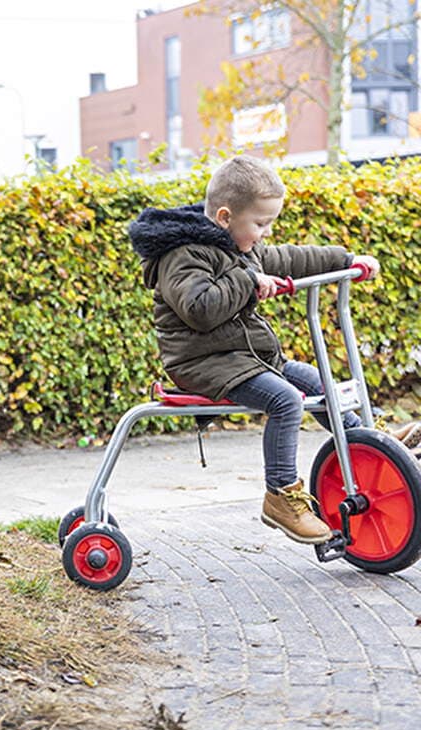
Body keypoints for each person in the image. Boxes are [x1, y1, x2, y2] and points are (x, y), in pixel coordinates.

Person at [126, 154, 410, 545]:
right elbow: (199, 309)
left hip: (249, 359)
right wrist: (247, 280)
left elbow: (292, 257)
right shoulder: (184, 254)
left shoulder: (243, 248)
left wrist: (346, 259)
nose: (264, 233)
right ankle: (280, 496)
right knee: (286, 400)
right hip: (204, 363)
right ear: (225, 217)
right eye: (260, 224)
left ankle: (371, 448)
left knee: (319, 382)